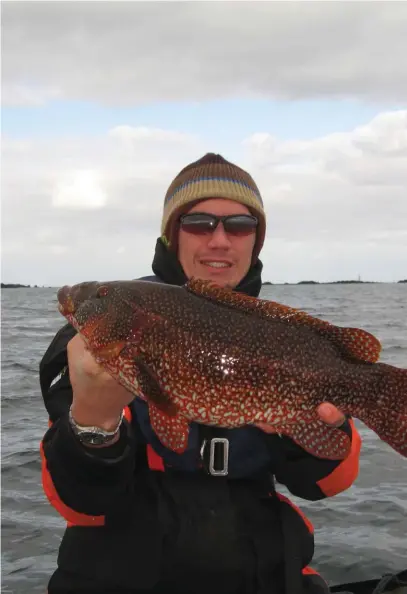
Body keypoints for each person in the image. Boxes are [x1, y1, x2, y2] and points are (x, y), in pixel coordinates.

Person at [39, 153, 362, 594]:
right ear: (172, 236)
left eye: (240, 226)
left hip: (264, 574)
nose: (220, 240)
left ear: (256, 241)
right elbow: (81, 503)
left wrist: (317, 426)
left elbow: (324, 483)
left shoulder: (286, 338)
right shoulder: (87, 349)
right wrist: (93, 421)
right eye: (199, 223)